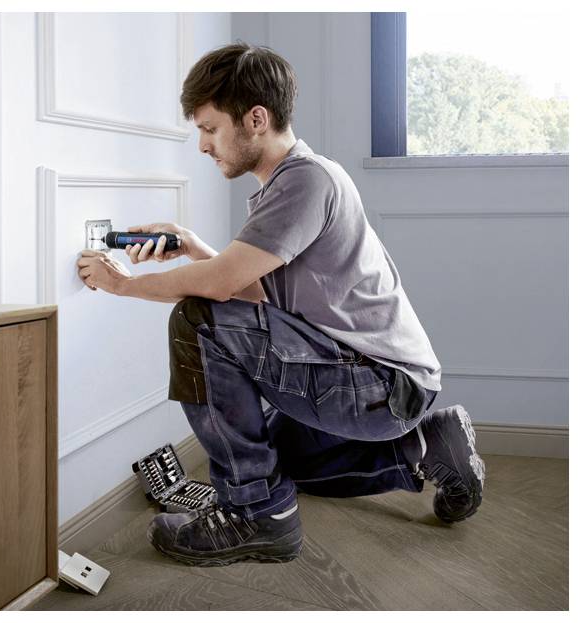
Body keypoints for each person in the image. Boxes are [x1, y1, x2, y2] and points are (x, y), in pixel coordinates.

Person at [76, 42, 485, 567]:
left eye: (209, 127)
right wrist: (190, 244)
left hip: (382, 384)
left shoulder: (305, 180)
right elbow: (256, 301)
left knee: (196, 321)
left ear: (256, 118)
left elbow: (222, 290)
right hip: (386, 383)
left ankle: (256, 516)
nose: (202, 145)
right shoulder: (292, 184)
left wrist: (122, 285)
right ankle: (430, 447)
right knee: (280, 456)